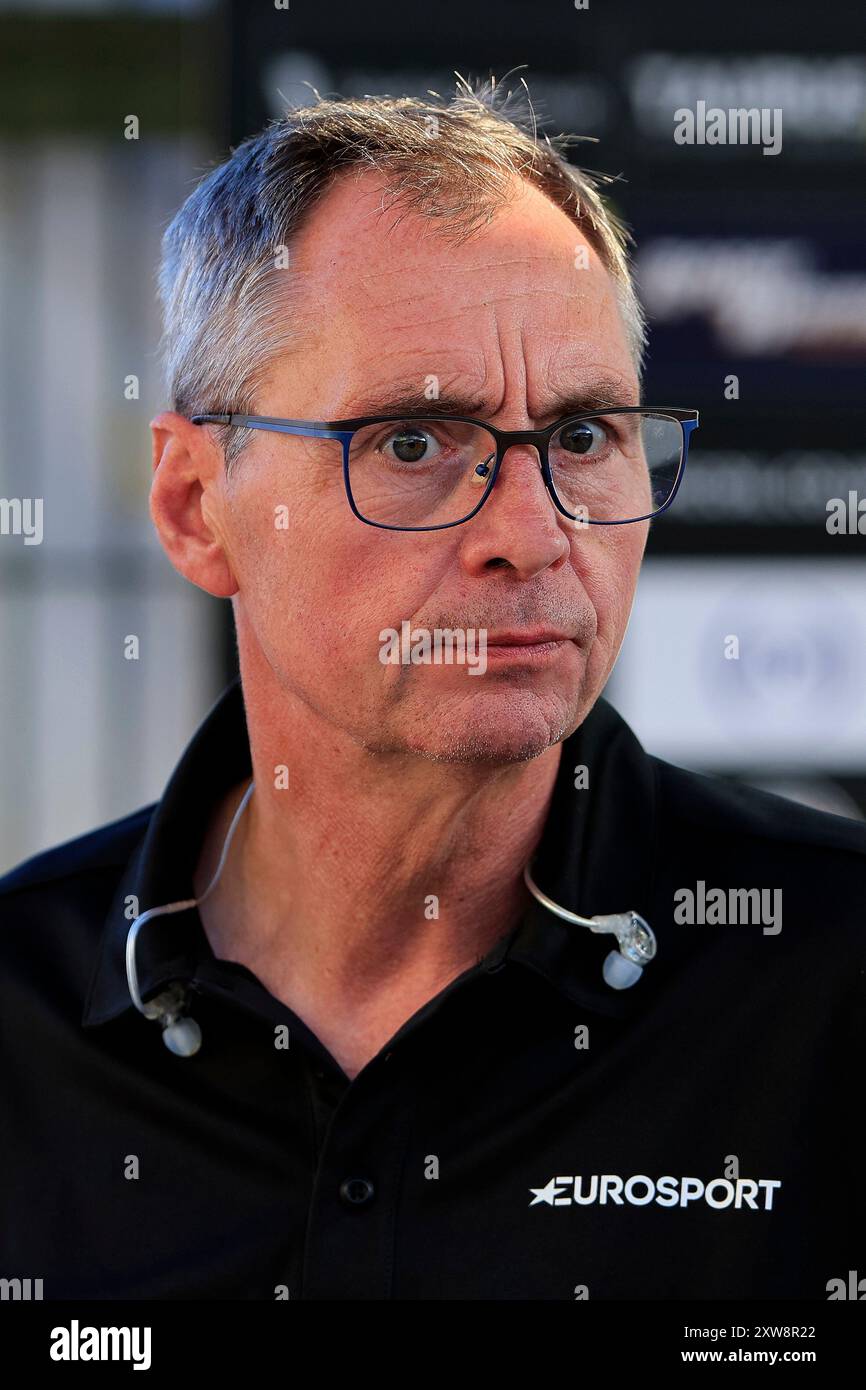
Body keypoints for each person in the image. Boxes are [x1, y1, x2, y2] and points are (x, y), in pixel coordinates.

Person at [1, 77, 862, 1301]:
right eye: (412, 442)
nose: (533, 530)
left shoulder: (825, 987)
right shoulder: (26, 1020)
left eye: (581, 435)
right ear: (199, 507)